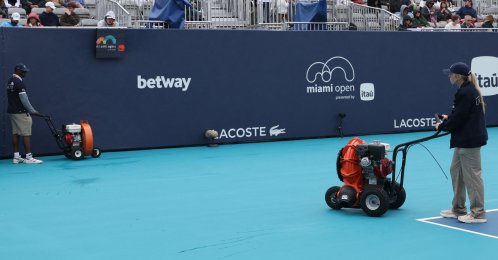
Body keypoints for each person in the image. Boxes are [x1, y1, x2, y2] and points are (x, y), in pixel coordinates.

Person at [436, 62, 488, 224]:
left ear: (458, 76)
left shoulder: (465, 93)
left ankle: (478, 213)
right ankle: (458, 208)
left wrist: (443, 125)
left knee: (472, 176)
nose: (449, 76)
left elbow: (459, 119)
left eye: (451, 74)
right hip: (464, 140)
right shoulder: (467, 91)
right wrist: (447, 118)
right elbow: (461, 114)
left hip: (469, 141)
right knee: (456, 171)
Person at [6, 63, 44, 164]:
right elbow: (24, 100)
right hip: (21, 113)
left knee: (16, 133)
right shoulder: (19, 83)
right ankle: (28, 157)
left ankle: (16, 157)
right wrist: (33, 111)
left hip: (12, 112)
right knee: (26, 134)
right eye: (23, 71)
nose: (25, 73)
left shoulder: (10, 81)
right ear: (17, 71)